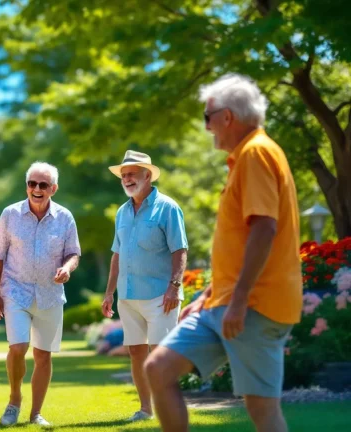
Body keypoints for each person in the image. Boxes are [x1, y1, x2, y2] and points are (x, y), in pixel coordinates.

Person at [144, 73, 302, 432]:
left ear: (227, 117)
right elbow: (239, 240)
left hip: (255, 306)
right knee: (158, 369)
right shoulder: (244, 157)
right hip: (226, 303)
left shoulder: (257, 153)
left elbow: (265, 228)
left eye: (207, 118)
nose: (207, 127)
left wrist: (240, 298)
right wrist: (211, 295)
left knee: (262, 410)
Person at [0, 162, 81, 427]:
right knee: (17, 347)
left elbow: (74, 252)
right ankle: (14, 400)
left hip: (50, 294)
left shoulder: (65, 217)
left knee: (43, 356)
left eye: (43, 185)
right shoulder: (10, 214)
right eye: (32, 183)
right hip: (15, 289)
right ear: (27, 186)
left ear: (54, 188)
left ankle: (36, 413)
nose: (36, 189)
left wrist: (67, 268)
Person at [101, 150, 188, 422]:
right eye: (123, 175)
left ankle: (168, 412)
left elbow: (180, 249)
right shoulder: (122, 212)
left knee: (161, 356)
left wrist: (174, 286)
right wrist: (109, 292)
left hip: (161, 296)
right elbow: (117, 254)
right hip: (127, 296)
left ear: (147, 176)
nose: (127, 179)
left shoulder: (168, 207)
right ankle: (145, 409)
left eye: (132, 174)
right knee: (137, 352)